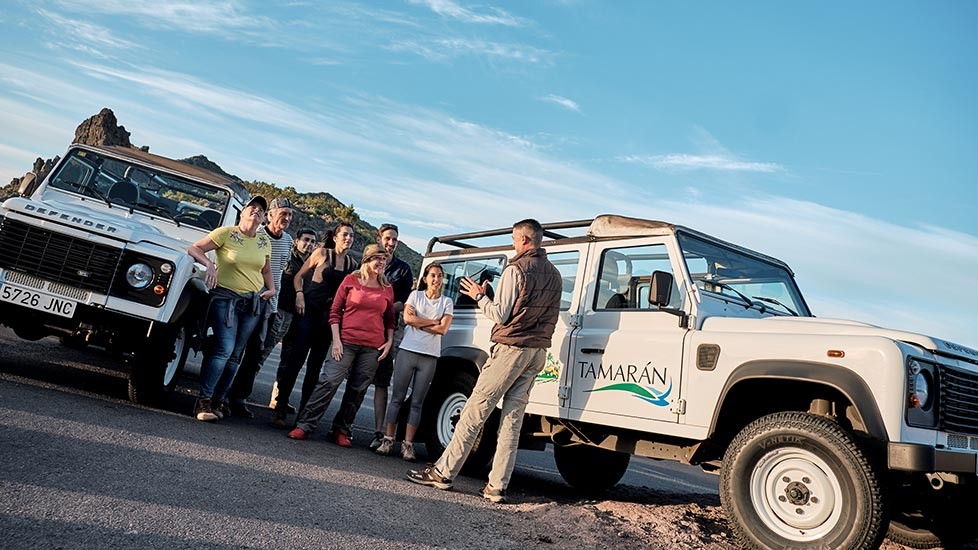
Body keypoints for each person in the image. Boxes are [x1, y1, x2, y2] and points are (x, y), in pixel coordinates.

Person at [407, 219, 561, 504]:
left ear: (525, 240)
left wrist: (480, 297)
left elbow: (500, 315)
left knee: (474, 411)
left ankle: (443, 473)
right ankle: (497, 486)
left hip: (511, 349)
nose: (514, 244)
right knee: (512, 420)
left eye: (515, 239)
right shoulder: (555, 274)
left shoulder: (516, 269)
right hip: (537, 352)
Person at [288, 244, 395, 447]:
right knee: (329, 381)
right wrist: (336, 340)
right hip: (345, 341)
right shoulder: (351, 280)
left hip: (373, 347)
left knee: (358, 389)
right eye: (377, 258)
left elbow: (389, 319)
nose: (381, 263)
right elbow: (335, 311)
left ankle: (341, 430)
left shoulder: (387, 288)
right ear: (367, 260)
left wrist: (389, 342)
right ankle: (305, 425)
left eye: (384, 259)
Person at [187, 196, 276, 422]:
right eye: (252, 207)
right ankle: (203, 402)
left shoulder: (264, 242)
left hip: (252, 303)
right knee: (224, 349)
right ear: (242, 213)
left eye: (261, 210)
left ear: (264, 218)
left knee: (236, 354)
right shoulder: (226, 233)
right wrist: (209, 265)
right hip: (225, 299)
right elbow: (194, 248)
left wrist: (272, 289)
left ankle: (219, 401)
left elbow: (265, 271)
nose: (256, 211)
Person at [272, 222, 357, 427]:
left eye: (351, 236)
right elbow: (299, 277)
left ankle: (304, 414)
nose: (348, 238)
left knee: (315, 369)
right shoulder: (320, 253)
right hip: (308, 313)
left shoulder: (352, 265)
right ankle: (280, 407)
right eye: (344, 234)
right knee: (295, 362)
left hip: (329, 320)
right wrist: (300, 295)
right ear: (335, 237)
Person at [375, 263, 454, 461]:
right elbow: (409, 320)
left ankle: (407, 444)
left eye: (440, 276)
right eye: (433, 275)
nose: (436, 280)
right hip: (408, 351)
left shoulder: (447, 302)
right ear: (425, 278)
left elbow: (443, 330)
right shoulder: (415, 296)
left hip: (429, 356)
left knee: (417, 402)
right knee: (397, 398)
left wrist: (421, 322)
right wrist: (433, 322)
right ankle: (388, 439)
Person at [227, 197, 294, 418]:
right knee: (234, 350)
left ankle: (238, 398)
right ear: (270, 215)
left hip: (270, 306)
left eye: (290, 215)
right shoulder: (257, 235)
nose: (286, 218)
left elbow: (278, 273)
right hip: (247, 300)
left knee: (255, 354)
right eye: (282, 213)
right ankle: (220, 395)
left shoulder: (288, 241)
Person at [360, 223, 414, 450]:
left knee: (382, 383)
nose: (391, 243)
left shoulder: (403, 270)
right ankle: (341, 426)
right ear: (379, 238)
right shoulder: (365, 264)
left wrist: (380, 308)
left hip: (385, 332)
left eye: (395, 240)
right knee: (357, 381)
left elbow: (403, 302)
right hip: (360, 329)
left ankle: (378, 432)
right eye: (388, 239)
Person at [266, 226, 318, 426]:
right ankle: (238, 395)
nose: (309, 244)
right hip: (282, 310)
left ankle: (278, 399)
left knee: (288, 359)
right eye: (306, 239)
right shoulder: (289, 257)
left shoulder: (313, 264)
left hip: (300, 317)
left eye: (313, 241)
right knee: (264, 351)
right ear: (297, 241)